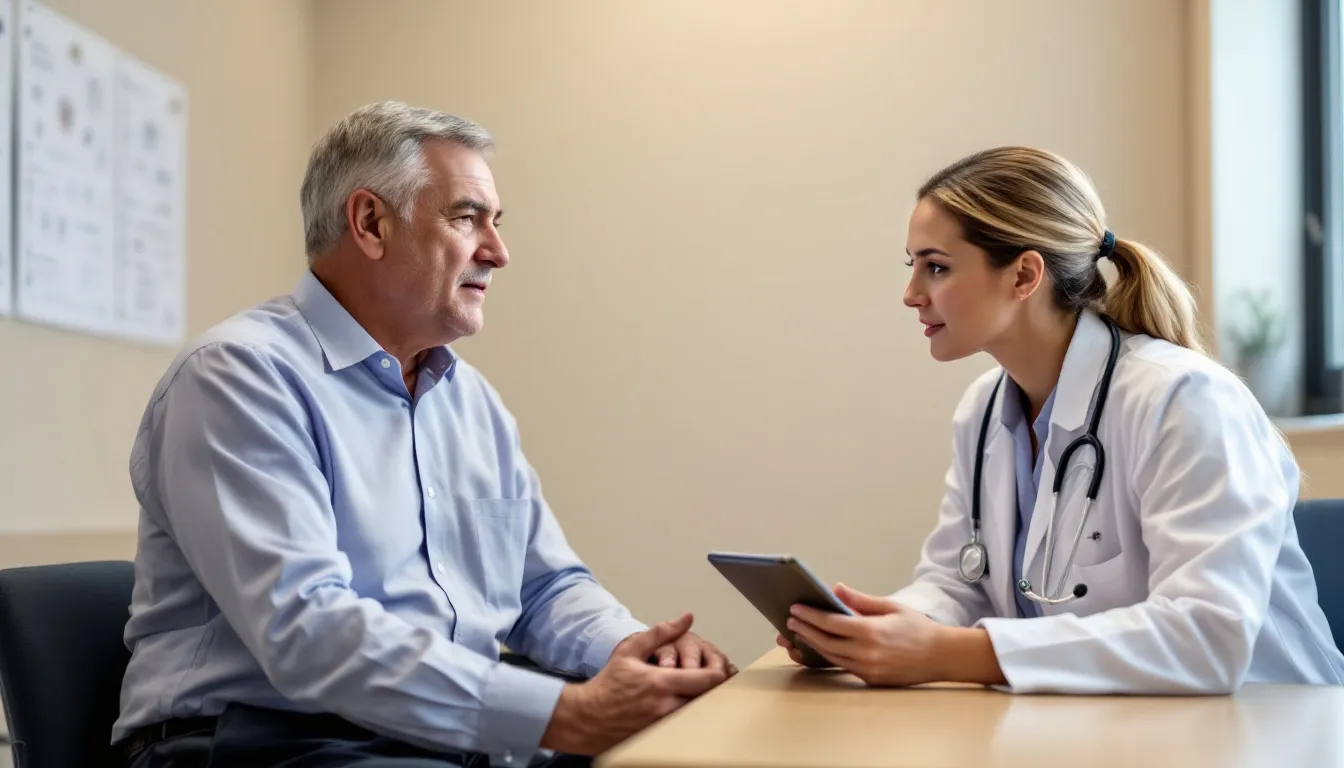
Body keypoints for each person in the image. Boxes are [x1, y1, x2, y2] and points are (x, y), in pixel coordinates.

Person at [113, 101, 733, 768]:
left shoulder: (472, 402)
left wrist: (638, 653)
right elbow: (307, 630)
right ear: (370, 223)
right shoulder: (240, 376)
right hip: (262, 743)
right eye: (467, 218)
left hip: (435, 738)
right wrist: (567, 715)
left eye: (495, 223)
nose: (497, 252)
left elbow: (544, 588)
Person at [781, 146, 1344, 694]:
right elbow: (959, 584)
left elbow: (1206, 636)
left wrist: (948, 654)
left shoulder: (1183, 399)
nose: (911, 295)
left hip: (1270, 725)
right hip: (1098, 729)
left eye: (936, 267)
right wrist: (875, 629)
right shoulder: (983, 409)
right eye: (914, 266)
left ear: (1024, 275)